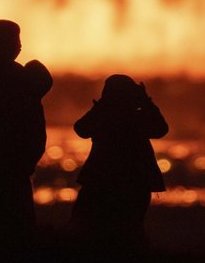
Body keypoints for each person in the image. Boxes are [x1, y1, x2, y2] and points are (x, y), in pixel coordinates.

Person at [0, 20, 53, 238]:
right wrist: (29, 160)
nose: (19, 47)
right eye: (16, 42)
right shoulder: (19, 77)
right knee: (16, 229)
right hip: (12, 165)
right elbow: (33, 123)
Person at [70, 75, 168, 247]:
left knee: (92, 230)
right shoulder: (136, 117)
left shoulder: (107, 116)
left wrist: (101, 106)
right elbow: (160, 128)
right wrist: (145, 101)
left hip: (103, 180)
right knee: (129, 231)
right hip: (133, 182)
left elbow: (81, 128)